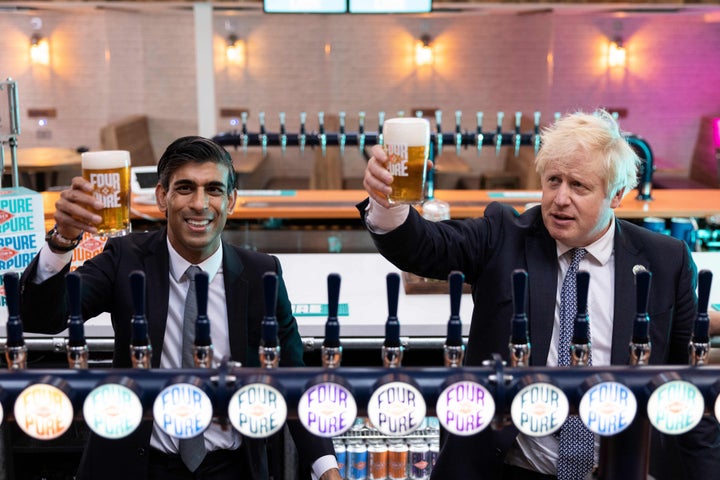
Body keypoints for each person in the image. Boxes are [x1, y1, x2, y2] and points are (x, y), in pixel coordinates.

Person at [358, 110, 720, 480]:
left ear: (617, 195)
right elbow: (422, 247)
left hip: (620, 467)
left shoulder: (665, 260)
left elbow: (687, 386)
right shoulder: (504, 235)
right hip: (511, 467)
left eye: (578, 186)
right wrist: (388, 205)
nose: (560, 198)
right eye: (553, 181)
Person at [20, 136, 341, 480]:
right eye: (185, 188)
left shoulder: (262, 272)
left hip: (231, 467)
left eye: (214, 189)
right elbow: (45, 317)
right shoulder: (125, 258)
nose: (200, 203)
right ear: (162, 197)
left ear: (231, 201)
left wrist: (328, 469)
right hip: (137, 465)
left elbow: (295, 377)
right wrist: (61, 241)